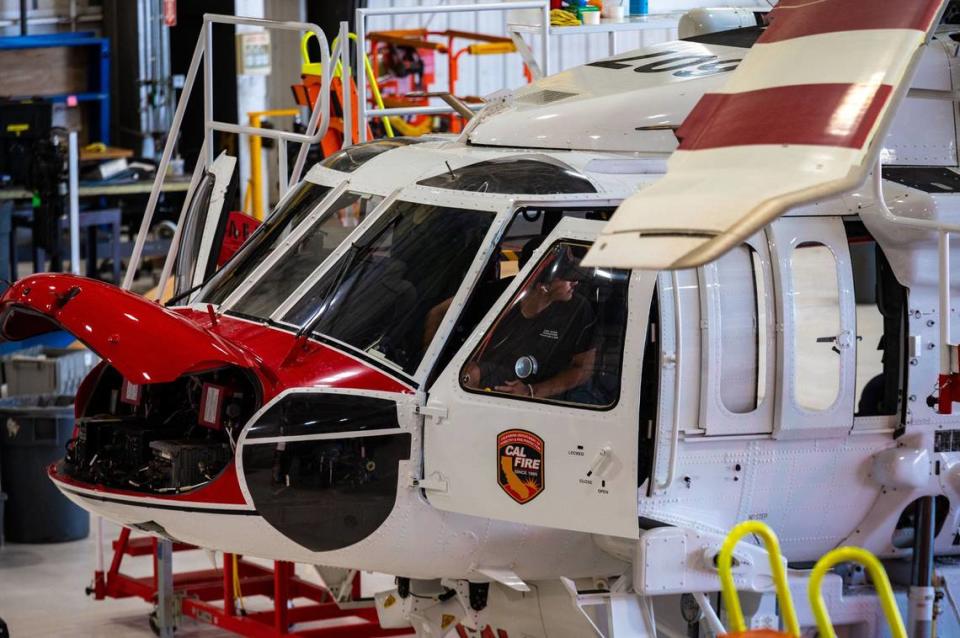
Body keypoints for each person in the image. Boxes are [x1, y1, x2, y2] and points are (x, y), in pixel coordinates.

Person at [461, 245, 598, 401]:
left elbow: (583, 369)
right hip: (504, 377)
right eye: (568, 278)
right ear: (543, 287)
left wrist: (532, 391)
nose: (575, 283)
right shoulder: (497, 296)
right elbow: (439, 312)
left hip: (551, 388)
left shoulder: (579, 310)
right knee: (470, 373)